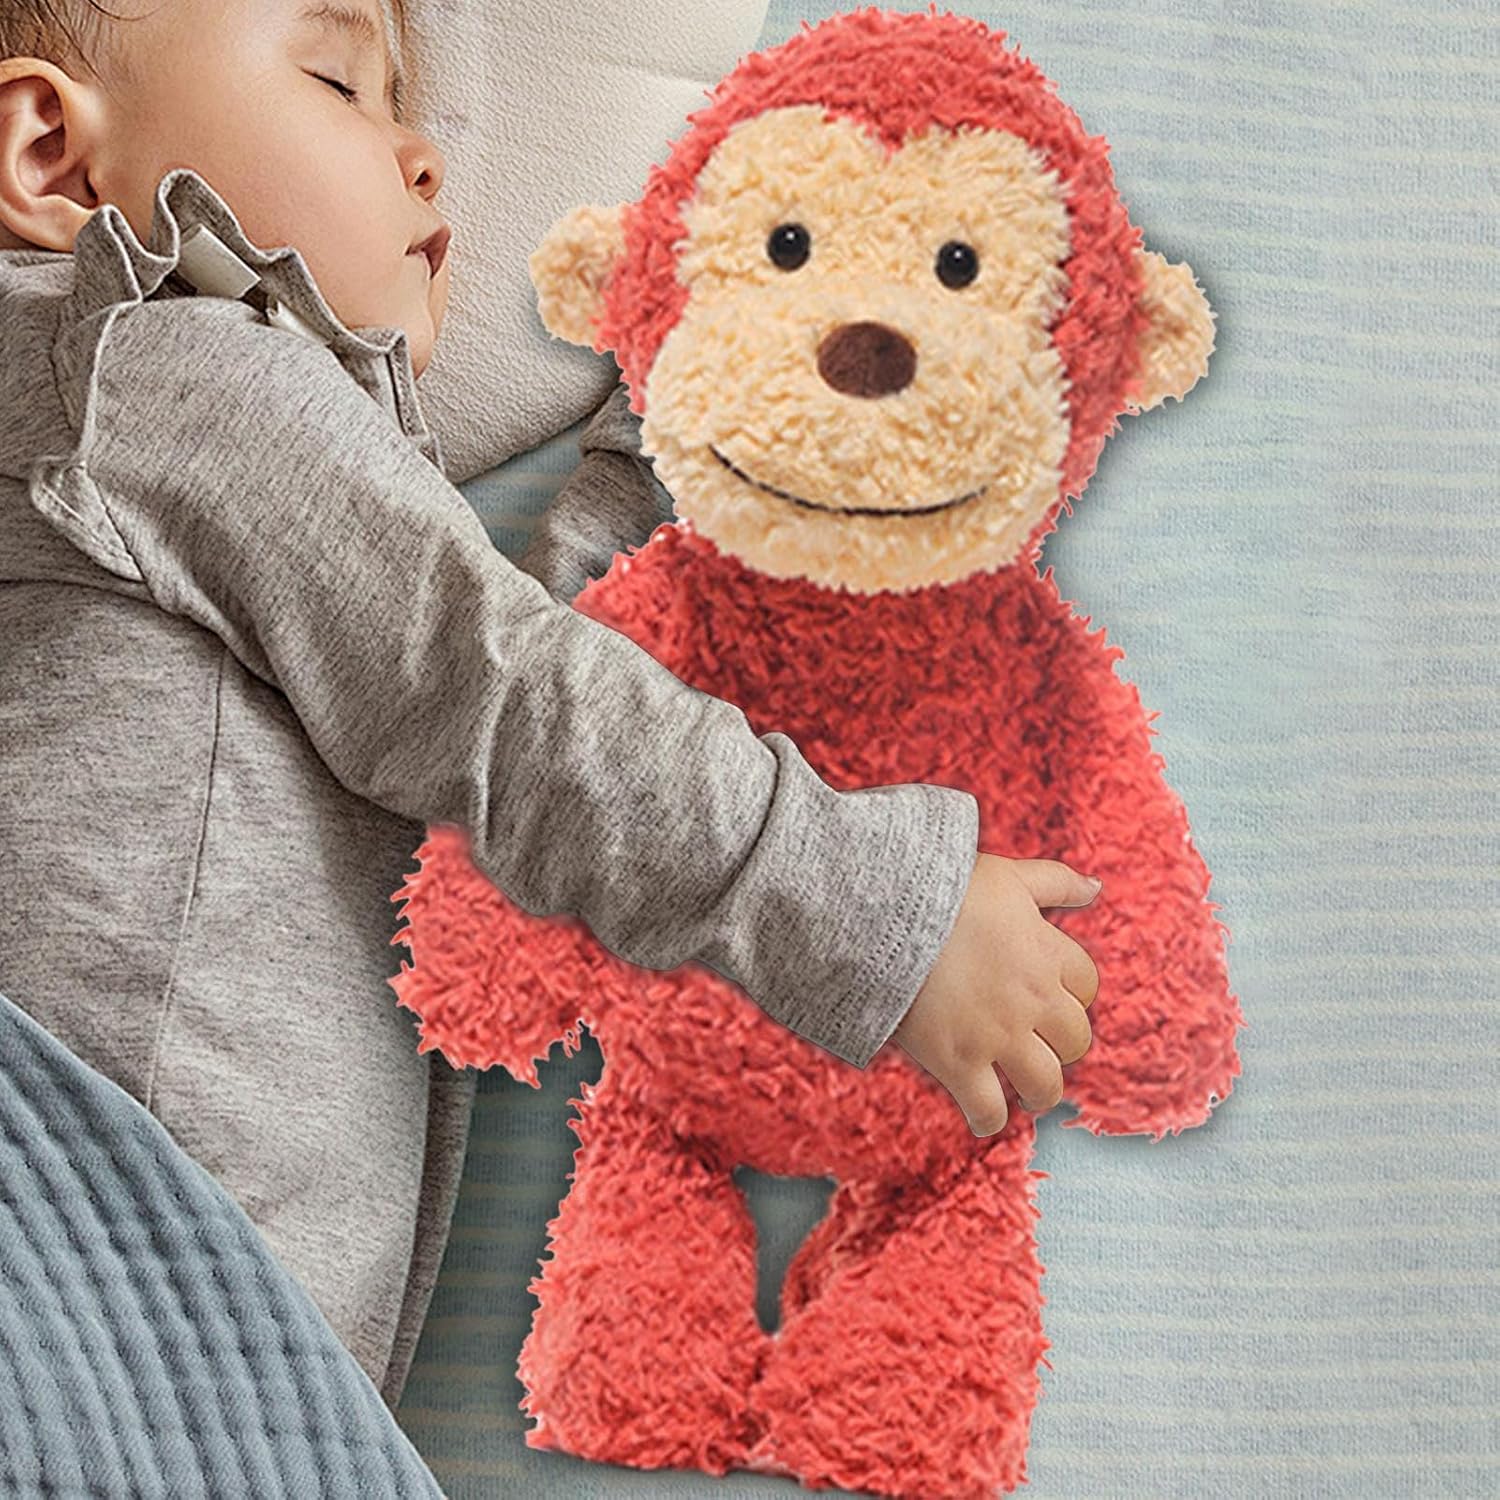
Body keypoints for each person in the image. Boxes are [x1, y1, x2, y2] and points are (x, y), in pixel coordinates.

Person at [0, 0, 1102, 1411]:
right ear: (50, 155)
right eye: (337, 80)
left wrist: (670, 456)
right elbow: (497, 699)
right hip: (94, 1322)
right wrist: (875, 914)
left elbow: (489, 717)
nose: (424, 155)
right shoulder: (158, 359)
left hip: (206, 1383)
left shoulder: (161, 429)